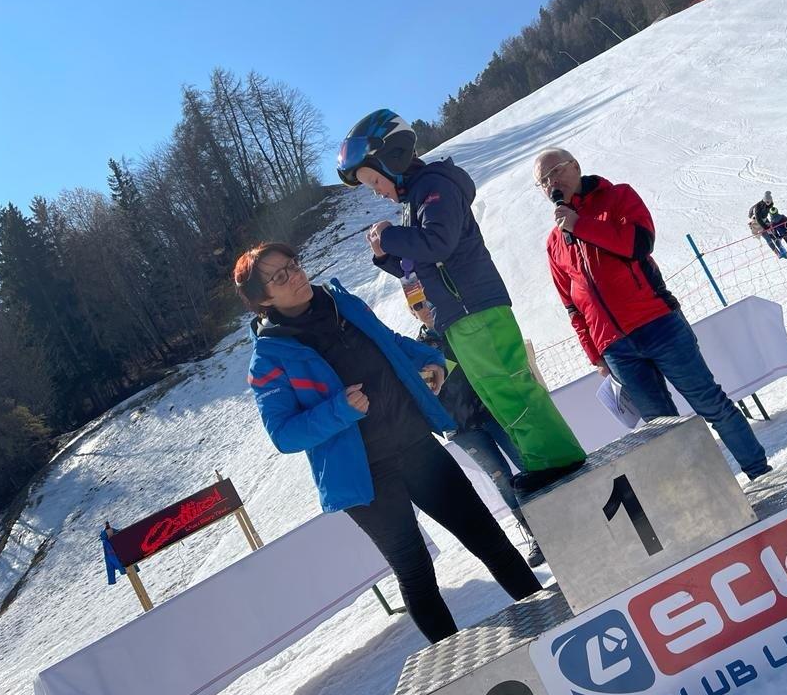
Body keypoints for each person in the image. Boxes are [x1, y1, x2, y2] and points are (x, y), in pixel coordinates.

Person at [235, 242, 541, 643]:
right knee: (416, 573)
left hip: (416, 447)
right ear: (263, 299)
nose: (296, 275)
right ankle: (460, 667)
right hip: (364, 479)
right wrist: (339, 410)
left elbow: (389, 342)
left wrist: (428, 360)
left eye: (293, 264)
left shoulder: (342, 302)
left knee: (487, 537)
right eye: (280, 276)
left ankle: (552, 624)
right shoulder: (268, 358)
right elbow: (284, 434)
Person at [336, 109, 586, 493]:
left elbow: (439, 242)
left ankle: (559, 459)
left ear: (392, 160)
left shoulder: (434, 185)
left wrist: (390, 237)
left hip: (475, 307)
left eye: (374, 180)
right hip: (457, 313)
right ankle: (543, 460)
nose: (376, 190)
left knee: (511, 386)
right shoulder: (415, 199)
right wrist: (387, 256)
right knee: (497, 393)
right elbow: (422, 266)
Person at [534, 148, 772, 481]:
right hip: (616, 349)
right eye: (543, 181)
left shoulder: (618, 197)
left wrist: (580, 225)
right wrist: (596, 355)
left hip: (658, 324)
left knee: (711, 403)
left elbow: (638, 244)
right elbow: (572, 306)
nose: (551, 183)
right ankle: (713, 496)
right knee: (665, 432)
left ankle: (760, 473)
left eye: (555, 172)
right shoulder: (554, 242)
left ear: (575, 166)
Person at [412, 298, 545, 567]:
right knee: (501, 478)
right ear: (412, 313)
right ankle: (536, 533)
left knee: (526, 461)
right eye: (417, 306)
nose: (425, 307)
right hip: (463, 426)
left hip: (494, 409)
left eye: (426, 299)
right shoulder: (416, 349)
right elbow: (427, 394)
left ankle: (553, 516)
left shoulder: (459, 326)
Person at [751, 191, 787, 256]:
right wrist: (766, 227)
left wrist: (776, 234)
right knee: (769, 239)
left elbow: (775, 228)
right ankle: (780, 253)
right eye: (767, 202)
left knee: (777, 238)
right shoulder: (758, 207)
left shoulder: (771, 206)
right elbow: (759, 219)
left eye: (770, 202)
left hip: (767, 222)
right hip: (757, 223)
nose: (769, 203)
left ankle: (786, 251)